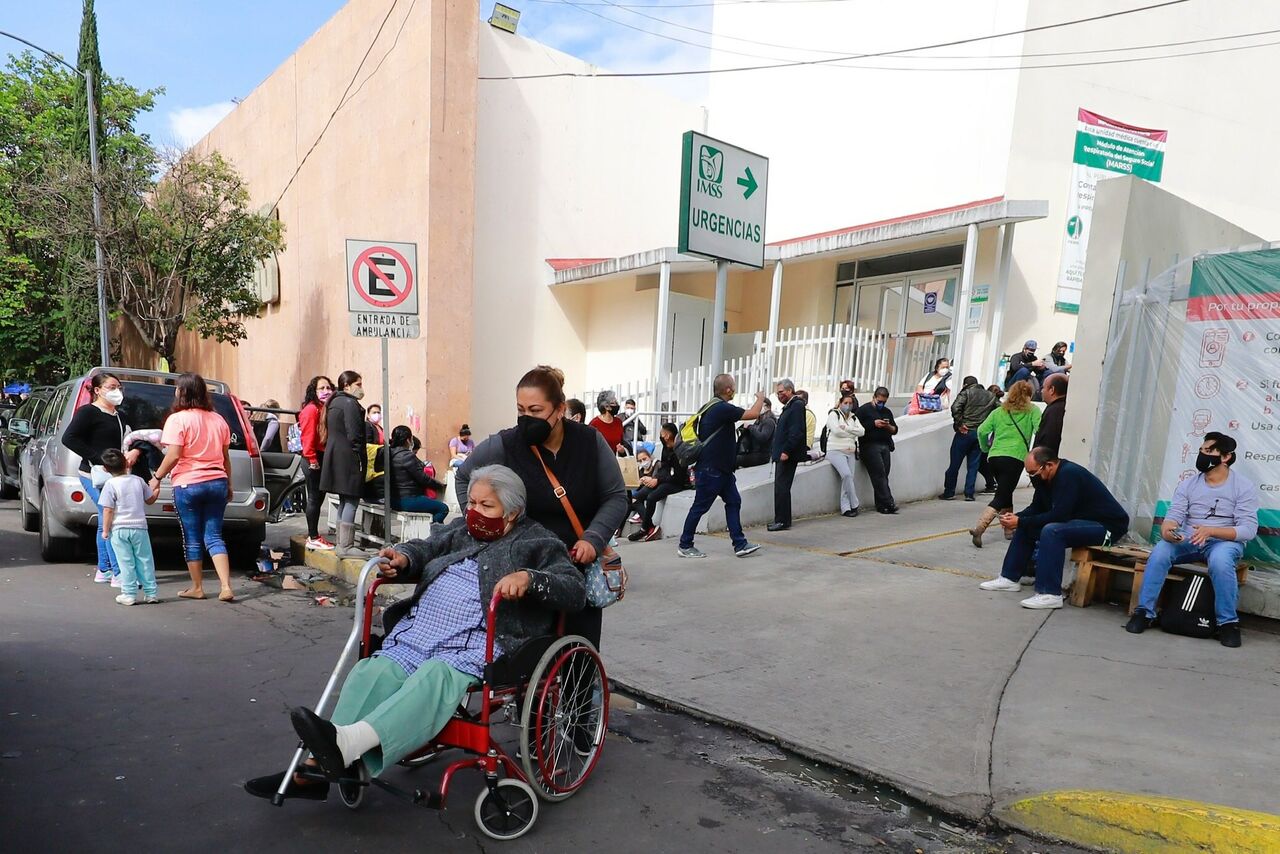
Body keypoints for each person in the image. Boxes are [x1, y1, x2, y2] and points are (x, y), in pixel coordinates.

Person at [244, 465, 585, 799]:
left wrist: (529, 579)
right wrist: (404, 557)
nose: (474, 511)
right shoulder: (461, 531)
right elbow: (427, 547)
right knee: (373, 671)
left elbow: (573, 589)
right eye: (471, 503)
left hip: (479, 641)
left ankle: (343, 749)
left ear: (513, 513)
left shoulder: (538, 541)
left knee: (434, 678)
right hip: (423, 631)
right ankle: (319, 766)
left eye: (486, 506)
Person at [456, 365, 626, 652]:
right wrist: (481, 522)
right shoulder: (504, 445)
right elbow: (464, 478)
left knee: (577, 654)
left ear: (559, 409)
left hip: (575, 566)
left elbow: (616, 496)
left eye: (535, 410)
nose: (526, 419)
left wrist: (593, 538)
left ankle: (581, 694)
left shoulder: (589, 442)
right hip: (522, 566)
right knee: (526, 657)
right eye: (520, 410)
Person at [1126, 433, 1257, 647]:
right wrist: (1168, 530)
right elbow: (1174, 516)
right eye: (1201, 450)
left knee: (1221, 562)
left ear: (1225, 457)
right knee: (1160, 551)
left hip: (1223, 541)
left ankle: (1227, 623)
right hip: (1189, 537)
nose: (1202, 455)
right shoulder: (1188, 484)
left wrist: (1212, 531)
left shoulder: (1243, 486)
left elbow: (1248, 529)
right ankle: (1144, 613)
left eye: (1209, 451)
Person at [978, 447, 1129, 610]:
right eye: (1029, 473)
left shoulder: (1069, 474)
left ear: (1049, 465)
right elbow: (1036, 508)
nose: (1032, 477)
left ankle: (1049, 593)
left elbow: (1059, 516)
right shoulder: (1044, 479)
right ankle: (1009, 578)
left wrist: (1020, 522)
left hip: (1109, 530)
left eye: (1034, 472)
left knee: (1052, 531)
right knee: (1026, 524)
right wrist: (1016, 518)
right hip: (1083, 522)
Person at [150, 372, 235, 603]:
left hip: (188, 483)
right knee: (215, 536)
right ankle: (226, 586)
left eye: (177, 388)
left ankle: (197, 587)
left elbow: (174, 455)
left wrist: (157, 477)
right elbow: (225, 457)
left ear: (183, 392)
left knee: (192, 537)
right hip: (217, 481)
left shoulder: (177, 419)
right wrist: (228, 482)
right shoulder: (218, 419)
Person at [678, 374, 766, 559]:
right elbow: (753, 414)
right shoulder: (721, 408)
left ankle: (740, 544)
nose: (734, 389)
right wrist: (760, 398)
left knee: (733, 501)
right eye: (733, 386)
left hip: (722, 471)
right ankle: (685, 544)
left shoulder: (713, 407)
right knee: (700, 507)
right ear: (727, 390)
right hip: (712, 470)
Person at [62, 372, 131, 584]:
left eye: (119, 387)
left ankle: (104, 569)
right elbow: (69, 438)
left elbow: (129, 440)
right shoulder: (88, 413)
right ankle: (119, 573)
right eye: (111, 387)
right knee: (110, 518)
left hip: (116, 476)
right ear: (98, 390)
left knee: (105, 523)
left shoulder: (120, 416)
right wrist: (97, 458)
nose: (117, 391)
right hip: (93, 475)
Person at [971, 380, 1041, 547]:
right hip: (1015, 457)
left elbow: (981, 430)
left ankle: (1008, 530)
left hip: (994, 457)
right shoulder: (1033, 410)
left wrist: (985, 447)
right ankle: (979, 528)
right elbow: (1040, 430)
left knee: (1005, 491)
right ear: (1029, 395)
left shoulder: (999, 411)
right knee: (1001, 495)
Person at [99, 448, 159, 606]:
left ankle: (129, 594)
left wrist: (105, 530)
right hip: (140, 527)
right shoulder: (138, 480)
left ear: (105, 469)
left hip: (119, 529)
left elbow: (108, 509)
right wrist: (156, 490)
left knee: (125, 562)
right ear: (127, 462)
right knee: (145, 560)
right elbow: (150, 499)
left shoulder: (110, 484)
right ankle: (151, 592)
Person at [320, 371, 370, 559]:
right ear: (347, 386)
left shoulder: (334, 402)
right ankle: (346, 546)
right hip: (349, 457)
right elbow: (354, 434)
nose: (361, 388)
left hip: (337, 456)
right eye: (358, 384)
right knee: (351, 499)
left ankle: (342, 543)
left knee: (344, 499)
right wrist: (359, 455)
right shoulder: (349, 403)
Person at [627, 423, 689, 541]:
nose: (661, 435)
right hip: (663, 479)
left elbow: (677, 475)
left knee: (651, 497)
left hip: (675, 483)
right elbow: (664, 467)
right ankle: (649, 527)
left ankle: (644, 529)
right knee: (635, 497)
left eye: (663, 433)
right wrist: (656, 479)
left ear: (668, 435)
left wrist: (658, 480)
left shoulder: (679, 450)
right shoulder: (666, 448)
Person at [940, 377, 997, 502]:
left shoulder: (966, 392)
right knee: (973, 466)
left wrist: (960, 423)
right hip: (980, 433)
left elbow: (955, 407)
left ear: (966, 384)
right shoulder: (990, 395)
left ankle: (949, 492)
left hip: (964, 432)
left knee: (954, 464)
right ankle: (969, 494)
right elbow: (1000, 410)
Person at [383, 425, 450, 523]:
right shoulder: (407, 456)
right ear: (408, 440)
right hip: (408, 499)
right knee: (443, 508)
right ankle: (435, 534)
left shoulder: (386, 453)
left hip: (391, 499)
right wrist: (439, 486)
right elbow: (423, 479)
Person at [299, 375, 335, 551]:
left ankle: (314, 535)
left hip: (322, 457)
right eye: (322, 388)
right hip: (313, 459)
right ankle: (313, 536)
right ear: (314, 391)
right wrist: (312, 459)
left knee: (318, 498)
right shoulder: (311, 410)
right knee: (314, 498)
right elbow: (308, 437)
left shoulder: (325, 408)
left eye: (328, 387)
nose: (326, 391)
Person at [768, 379, 807, 532]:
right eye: (778, 393)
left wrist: (786, 451)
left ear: (790, 390)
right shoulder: (790, 406)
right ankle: (781, 519)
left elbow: (796, 431)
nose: (779, 395)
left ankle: (782, 520)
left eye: (781, 392)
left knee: (782, 487)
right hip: (782, 453)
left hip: (787, 454)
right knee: (780, 487)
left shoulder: (796, 406)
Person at [854, 387, 899, 514]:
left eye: (884, 402)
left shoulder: (887, 411)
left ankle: (881, 505)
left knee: (884, 475)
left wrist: (888, 426)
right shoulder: (864, 410)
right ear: (874, 397)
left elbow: (895, 430)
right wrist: (873, 424)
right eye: (879, 401)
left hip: (885, 444)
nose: (881, 404)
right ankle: (888, 502)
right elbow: (856, 428)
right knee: (878, 474)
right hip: (869, 445)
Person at [825, 392, 865, 518]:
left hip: (851, 451)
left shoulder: (853, 417)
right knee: (846, 475)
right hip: (835, 450)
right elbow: (836, 430)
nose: (848, 405)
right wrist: (853, 432)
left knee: (848, 479)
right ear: (840, 403)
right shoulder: (834, 414)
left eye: (850, 403)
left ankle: (846, 508)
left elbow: (862, 431)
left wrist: (846, 429)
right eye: (845, 403)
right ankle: (855, 503)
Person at [735, 397, 775, 469]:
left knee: (735, 459)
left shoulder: (769, 421)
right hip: (754, 452)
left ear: (767, 407)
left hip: (762, 455)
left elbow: (762, 437)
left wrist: (750, 427)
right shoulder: (759, 421)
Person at [1033, 374, 1067, 455]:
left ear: (1052, 390)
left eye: (1043, 387)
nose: (1041, 391)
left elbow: (1048, 439)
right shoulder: (1062, 407)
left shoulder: (1054, 411)